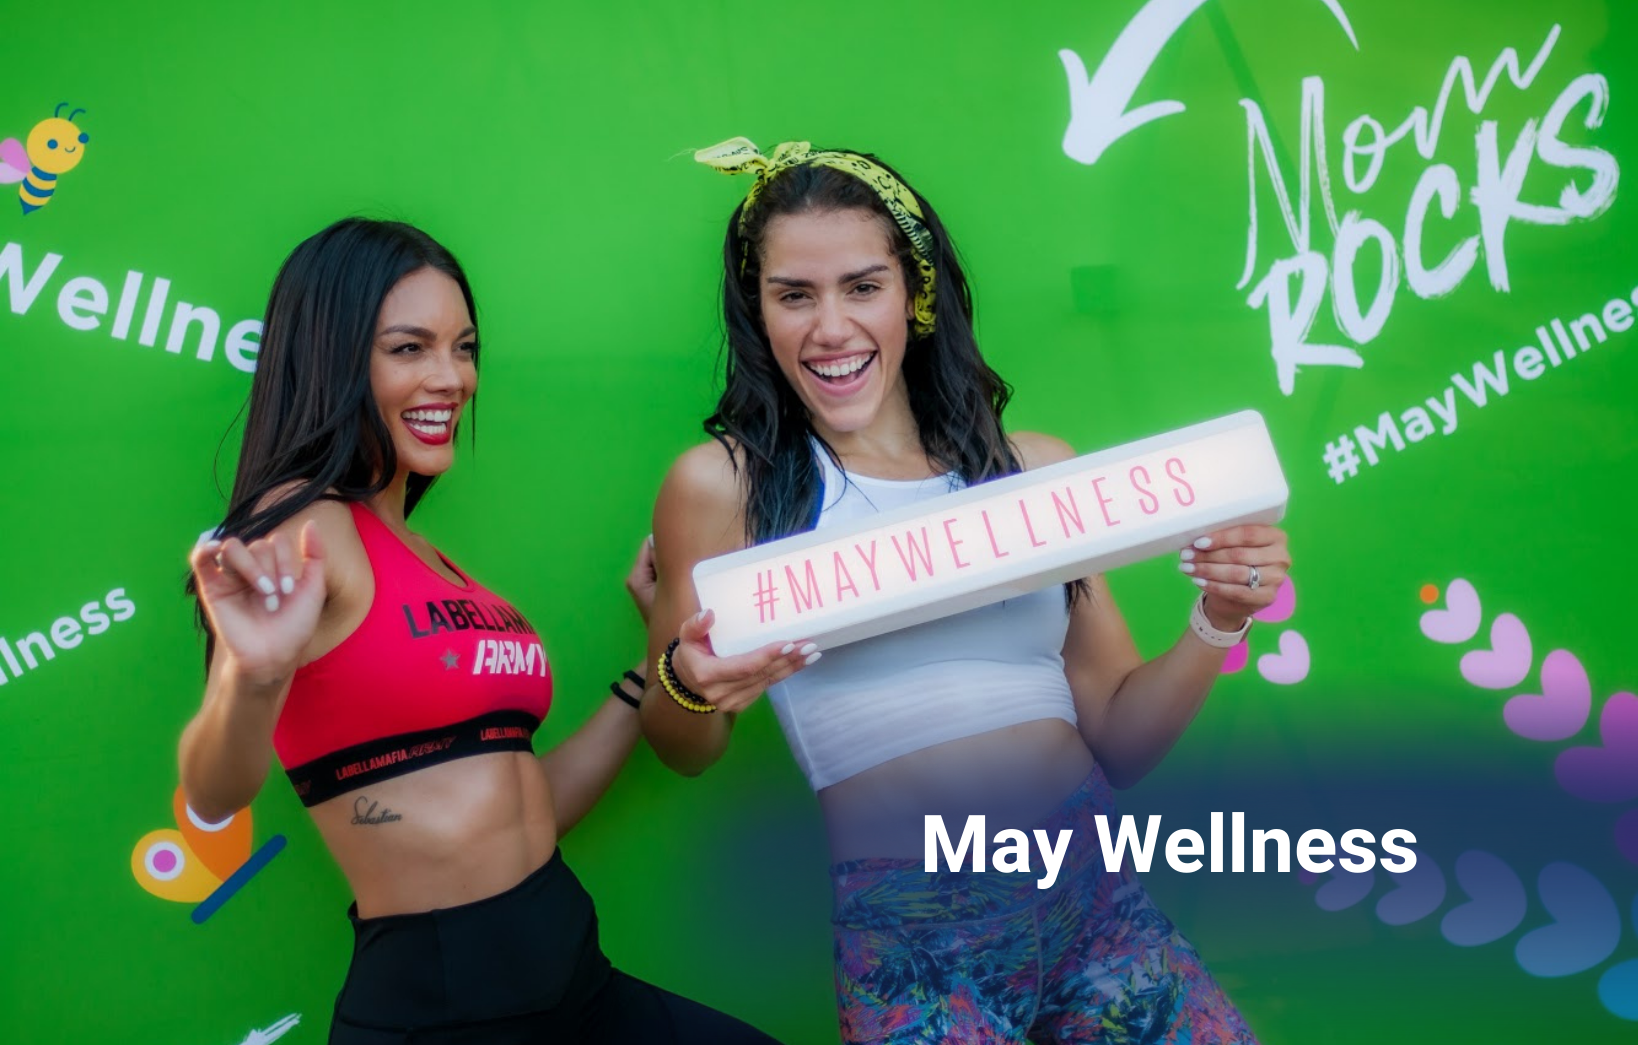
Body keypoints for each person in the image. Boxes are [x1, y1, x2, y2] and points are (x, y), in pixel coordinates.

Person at [640, 139, 1289, 1044]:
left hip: (1098, 900)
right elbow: (684, 748)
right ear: (758, 312)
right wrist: (683, 678)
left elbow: (1119, 737)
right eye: (795, 294)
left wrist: (1217, 620)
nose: (830, 327)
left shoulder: (1036, 471)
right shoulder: (722, 488)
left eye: (862, 286)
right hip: (912, 939)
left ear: (917, 293)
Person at [179, 218, 784, 1045]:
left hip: (573, 979)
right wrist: (248, 676)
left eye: (463, 348)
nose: (452, 377)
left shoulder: (430, 558)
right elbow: (215, 793)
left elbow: (519, 808)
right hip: (448, 1011)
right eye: (409, 348)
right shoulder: (303, 530)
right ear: (331, 354)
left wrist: (655, 666)